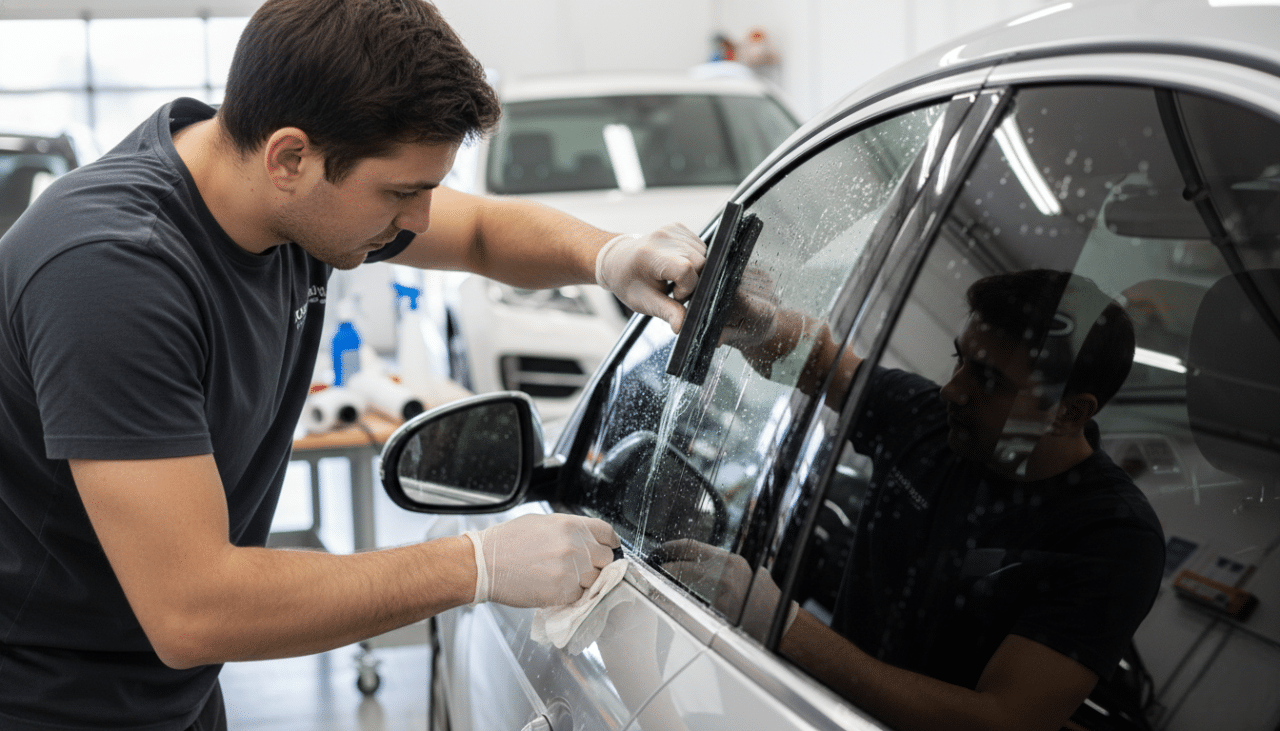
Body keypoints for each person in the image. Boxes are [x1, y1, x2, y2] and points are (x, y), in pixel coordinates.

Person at [0, 1, 706, 729]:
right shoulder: (111, 272)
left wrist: (610, 256)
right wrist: (477, 564)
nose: (420, 220)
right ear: (289, 159)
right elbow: (194, 607)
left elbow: (480, 232)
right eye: (402, 193)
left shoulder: (276, 188)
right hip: (48, 699)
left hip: (167, 690)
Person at [662, 270, 1165, 731]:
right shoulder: (931, 422)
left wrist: (784, 625)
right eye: (960, 359)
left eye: (989, 380)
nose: (952, 390)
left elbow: (1002, 720)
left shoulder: (1112, 537)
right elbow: (820, 361)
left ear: (1069, 412)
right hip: (812, 713)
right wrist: (757, 323)